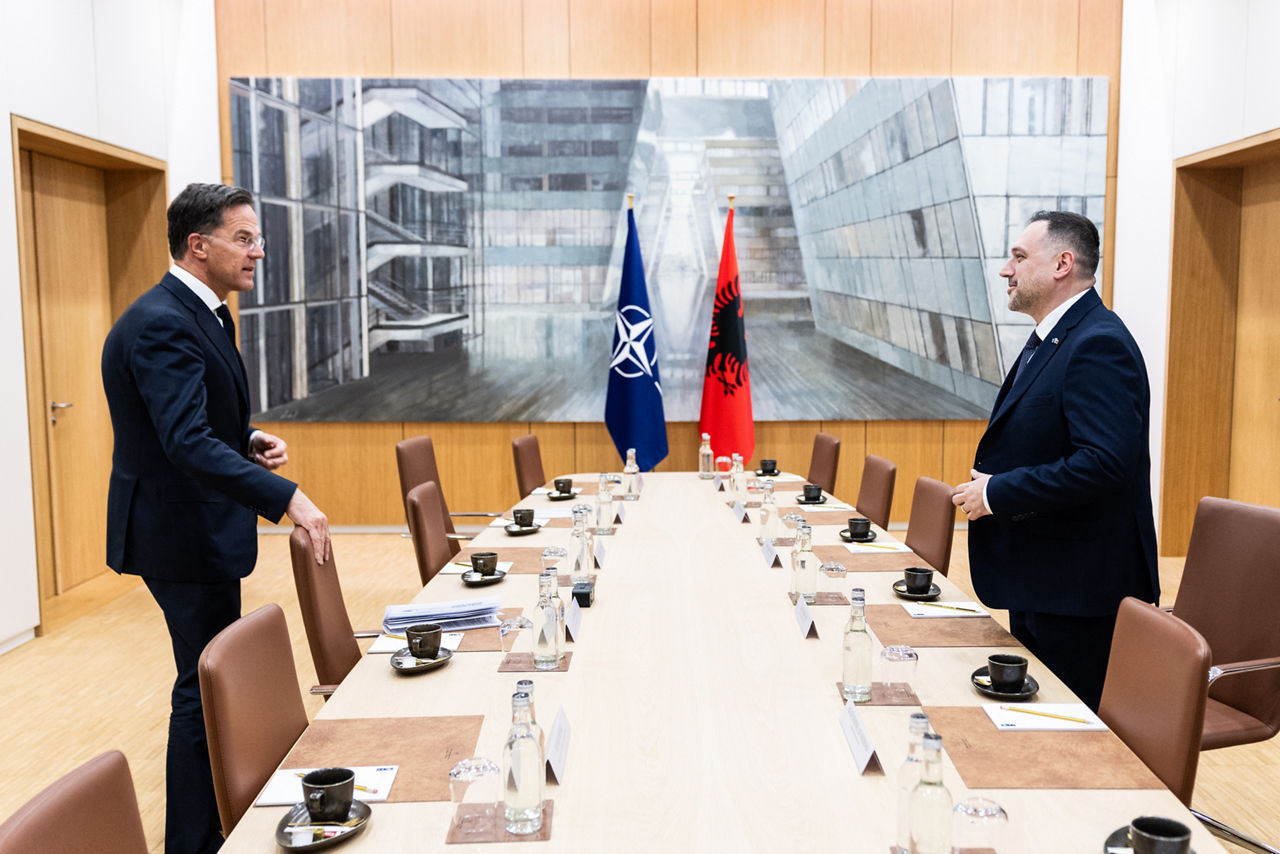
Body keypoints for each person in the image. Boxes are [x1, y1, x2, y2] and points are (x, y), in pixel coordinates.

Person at [101, 183, 330, 853]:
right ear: (198, 245)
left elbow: (190, 423)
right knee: (202, 688)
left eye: (258, 238)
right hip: (179, 532)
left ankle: (207, 833)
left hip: (196, 524)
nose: (259, 251)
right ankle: (193, 843)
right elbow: (183, 441)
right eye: (244, 238)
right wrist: (284, 496)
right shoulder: (162, 321)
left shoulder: (201, 313)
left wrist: (245, 438)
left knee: (207, 683)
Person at [951, 210, 1159, 711]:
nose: (1006, 269)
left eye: (1020, 257)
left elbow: (1104, 464)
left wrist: (996, 492)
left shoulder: (1098, 342)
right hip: (1043, 578)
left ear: (1062, 264)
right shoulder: (1056, 337)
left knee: (1070, 734)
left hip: (1080, 592)